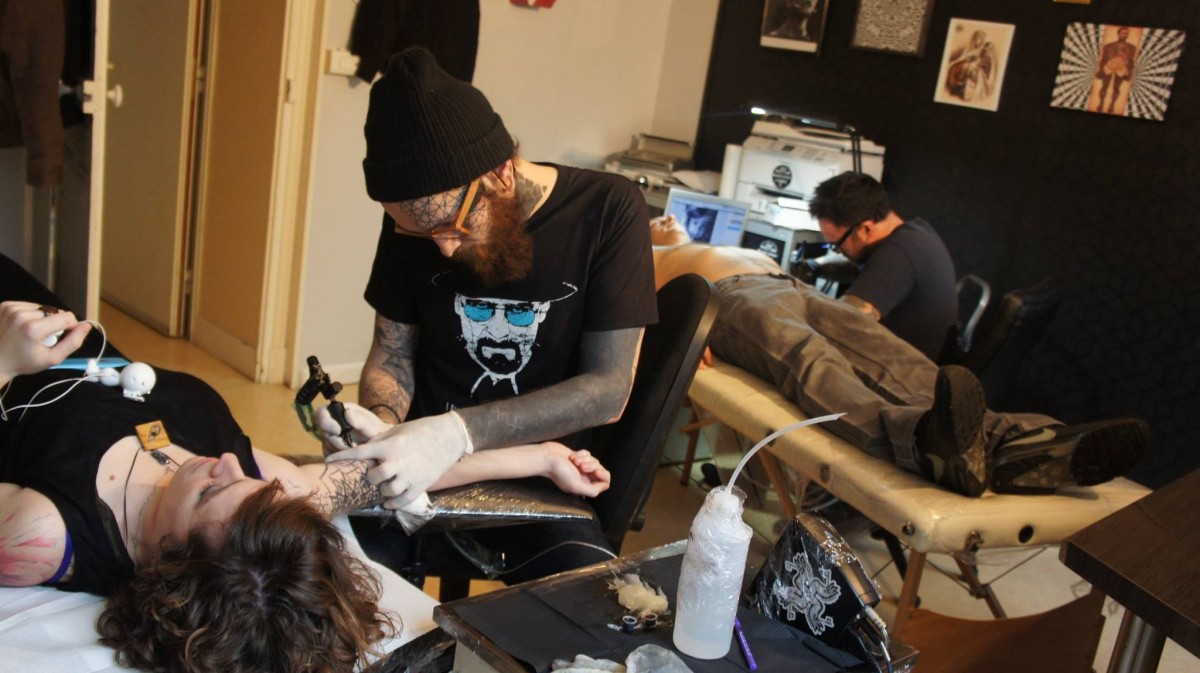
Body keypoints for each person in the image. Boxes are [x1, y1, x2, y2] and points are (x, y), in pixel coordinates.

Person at [0, 296, 611, 671]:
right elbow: (384, 473)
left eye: (212, 492)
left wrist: (4, 361)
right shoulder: (259, 516)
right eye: (250, 485)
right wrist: (540, 457)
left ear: (168, 566)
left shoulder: (41, 535)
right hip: (61, 328)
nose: (229, 463)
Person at [328, 46, 658, 581]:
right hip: (420, 473)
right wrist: (383, 430)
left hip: (546, 478)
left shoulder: (607, 210)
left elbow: (608, 389)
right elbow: (392, 355)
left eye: (453, 227)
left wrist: (454, 433)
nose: (443, 249)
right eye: (421, 234)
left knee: (592, 603)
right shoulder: (415, 223)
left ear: (501, 173)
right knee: (327, 579)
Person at [650, 215, 1148, 497]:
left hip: (789, 285)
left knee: (899, 362)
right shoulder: (640, 255)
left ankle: (1015, 440)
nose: (662, 219)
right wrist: (678, 329)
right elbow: (626, 310)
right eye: (652, 218)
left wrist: (672, 232)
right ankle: (921, 441)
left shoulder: (679, 238)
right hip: (727, 298)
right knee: (813, 361)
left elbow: (672, 233)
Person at [809, 171, 958, 361]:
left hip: (908, 373)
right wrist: (815, 266)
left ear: (866, 229)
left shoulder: (899, 254)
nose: (837, 251)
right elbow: (868, 271)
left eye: (837, 244)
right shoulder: (916, 232)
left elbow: (844, 324)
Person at [1094, 27, 1138, 115]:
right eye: (1123, 33)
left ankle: (1111, 106)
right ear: (1118, 34)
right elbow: (1103, 59)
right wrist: (1100, 70)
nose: (1124, 35)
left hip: (1121, 69)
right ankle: (1101, 104)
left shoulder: (1131, 47)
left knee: (1116, 88)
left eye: (1126, 33)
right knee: (1104, 86)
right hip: (1108, 67)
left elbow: (1131, 61)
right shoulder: (1108, 46)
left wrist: (1129, 73)